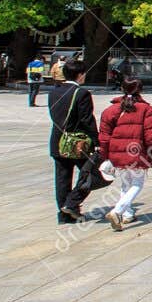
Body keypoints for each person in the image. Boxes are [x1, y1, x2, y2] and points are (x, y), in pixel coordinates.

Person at [98, 76, 152, 231]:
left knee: (125, 184)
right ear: (141, 90)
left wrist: (105, 155)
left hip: (116, 153)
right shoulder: (147, 110)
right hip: (137, 153)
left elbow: (104, 136)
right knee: (137, 184)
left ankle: (127, 213)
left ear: (122, 89)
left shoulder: (111, 110)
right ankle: (117, 211)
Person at [48, 59, 100, 223]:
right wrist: (96, 140)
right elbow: (86, 120)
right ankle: (72, 203)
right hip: (78, 143)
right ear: (80, 75)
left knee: (62, 178)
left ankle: (64, 215)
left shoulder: (53, 91)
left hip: (58, 140)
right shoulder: (81, 93)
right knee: (93, 173)